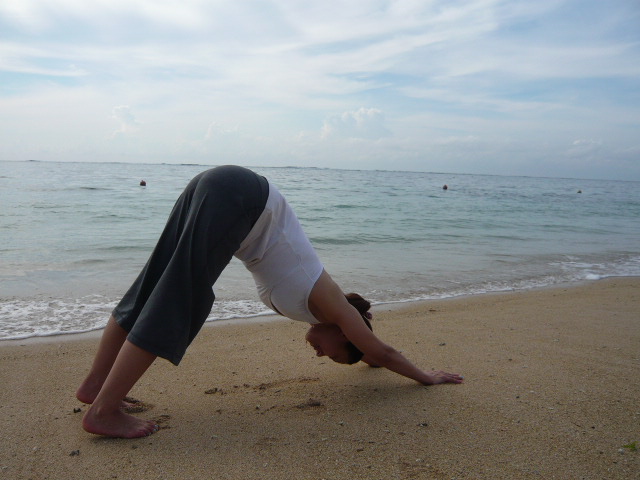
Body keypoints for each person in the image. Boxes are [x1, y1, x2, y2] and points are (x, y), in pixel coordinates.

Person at [76, 165, 463, 438]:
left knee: (150, 290)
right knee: (176, 302)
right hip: (240, 198)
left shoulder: (326, 311)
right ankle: (104, 411)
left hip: (224, 187)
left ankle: (95, 387)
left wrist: (369, 361)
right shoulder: (335, 307)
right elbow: (382, 350)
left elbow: (374, 355)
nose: (320, 355)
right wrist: (425, 376)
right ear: (346, 333)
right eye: (332, 355)